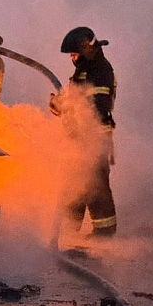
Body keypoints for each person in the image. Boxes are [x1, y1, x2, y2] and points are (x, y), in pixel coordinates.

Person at [49, 26, 117, 237]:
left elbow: (98, 106)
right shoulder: (83, 70)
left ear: (87, 49)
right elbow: (73, 102)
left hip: (95, 135)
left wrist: (69, 106)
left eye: (75, 54)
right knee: (75, 180)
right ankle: (70, 229)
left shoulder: (101, 71)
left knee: (95, 183)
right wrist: (58, 105)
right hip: (79, 135)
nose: (72, 58)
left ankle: (104, 232)